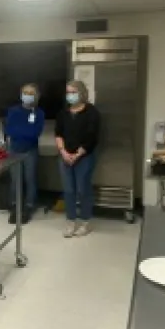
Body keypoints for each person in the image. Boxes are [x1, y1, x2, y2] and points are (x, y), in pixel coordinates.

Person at [56, 80, 101, 238]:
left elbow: (92, 137)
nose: (70, 95)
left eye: (73, 92)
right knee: (68, 190)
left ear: (82, 93)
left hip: (84, 156)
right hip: (65, 156)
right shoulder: (63, 113)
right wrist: (63, 152)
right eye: (68, 92)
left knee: (83, 190)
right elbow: (58, 134)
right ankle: (70, 221)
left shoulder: (92, 112)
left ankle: (85, 222)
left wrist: (77, 154)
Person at [4, 83, 44, 224]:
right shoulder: (13, 111)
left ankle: (29, 206)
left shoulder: (38, 113)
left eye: (30, 93)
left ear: (36, 96)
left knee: (30, 179)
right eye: (25, 93)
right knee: (15, 180)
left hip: (30, 151)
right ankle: (15, 206)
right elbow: (9, 130)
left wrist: (20, 132)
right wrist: (24, 131)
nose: (27, 96)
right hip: (14, 150)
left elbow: (35, 133)